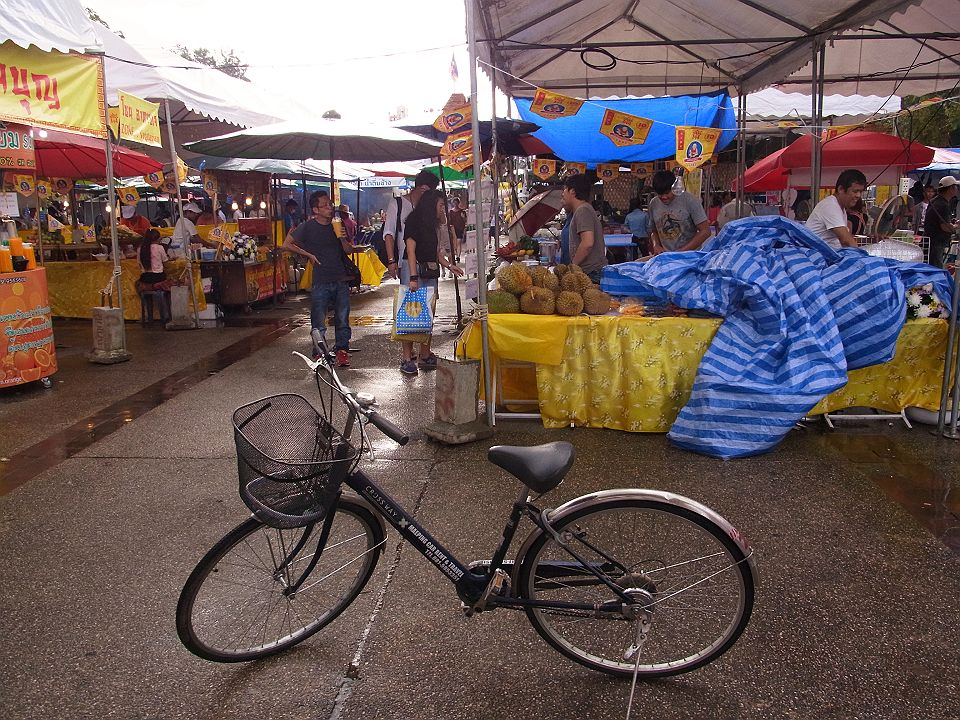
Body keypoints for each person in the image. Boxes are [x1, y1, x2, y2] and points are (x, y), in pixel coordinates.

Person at [282, 191, 355, 367]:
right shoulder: (307, 227)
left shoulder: (337, 225)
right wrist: (308, 255)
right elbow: (286, 244)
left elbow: (348, 250)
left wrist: (342, 238)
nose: (330, 208)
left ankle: (342, 351)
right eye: (325, 205)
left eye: (330, 204)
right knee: (318, 320)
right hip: (320, 279)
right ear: (316, 209)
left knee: (342, 318)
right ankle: (320, 353)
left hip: (340, 277)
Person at [400, 189, 463, 375]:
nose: (443, 209)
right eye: (441, 205)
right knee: (410, 313)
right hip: (413, 269)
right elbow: (410, 251)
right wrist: (413, 278)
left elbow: (435, 253)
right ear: (431, 204)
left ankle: (425, 354)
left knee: (428, 312)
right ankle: (406, 358)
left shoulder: (434, 225)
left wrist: (449, 266)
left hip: (429, 271)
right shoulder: (413, 220)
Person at [382, 169, 440, 283]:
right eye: (431, 192)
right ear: (423, 189)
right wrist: (391, 261)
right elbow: (389, 233)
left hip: (427, 263)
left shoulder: (428, 207)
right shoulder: (397, 203)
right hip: (406, 262)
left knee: (429, 294)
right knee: (410, 293)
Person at [647, 170, 710, 254]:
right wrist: (656, 245)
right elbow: (653, 231)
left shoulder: (689, 201)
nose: (664, 197)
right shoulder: (653, 203)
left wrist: (681, 252)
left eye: (667, 193)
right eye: (660, 194)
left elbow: (705, 231)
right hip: (666, 256)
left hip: (689, 256)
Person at [805, 169, 867, 250]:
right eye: (855, 191)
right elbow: (846, 240)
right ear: (841, 189)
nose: (858, 195)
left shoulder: (840, 208)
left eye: (860, 192)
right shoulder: (830, 206)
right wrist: (861, 256)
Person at [562, 174, 606, 282]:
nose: (562, 194)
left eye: (565, 190)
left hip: (591, 273)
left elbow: (587, 243)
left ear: (572, 191)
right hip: (589, 272)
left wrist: (573, 266)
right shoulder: (582, 210)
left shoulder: (583, 210)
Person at [923, 176, 959, 268]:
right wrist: (956, 226)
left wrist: (952, 223)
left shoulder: (935, 200)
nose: (957, 189)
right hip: (936, 243)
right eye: (956, 186)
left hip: (930, 241)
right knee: (935, 268)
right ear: (951, 188)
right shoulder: (943, 204)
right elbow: (945, 227)